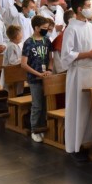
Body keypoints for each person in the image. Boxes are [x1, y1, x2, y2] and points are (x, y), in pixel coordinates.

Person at [61, 0, 92, 161]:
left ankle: (90, 141)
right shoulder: (71, 29)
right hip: (79, 73)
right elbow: (66, 55)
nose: (90, 8)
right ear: (79, 9)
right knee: (79, 109)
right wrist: (87, 54)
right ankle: (76, 146)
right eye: (87, 5)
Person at [21, 15, 53, 143]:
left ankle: (42, 128)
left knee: (46, 105)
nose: (46, 30)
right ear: (36, 28)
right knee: (37, 105)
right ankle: (34, 129)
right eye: (44, 28)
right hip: (34, 78)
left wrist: (49, 70)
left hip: (47, 77)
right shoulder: (28, 42)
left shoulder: (47, 40)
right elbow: (23, 64)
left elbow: (51, 58)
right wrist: (38, 74)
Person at [0, 25, 23, 96]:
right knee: (13, 91)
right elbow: (12, 61)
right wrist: (24, 60)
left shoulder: (17, 45)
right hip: (11, 73)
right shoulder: (11, 46)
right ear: (17, 36)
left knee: (18, 89)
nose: (22, 34)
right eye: (20, 33)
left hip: (17, 72)